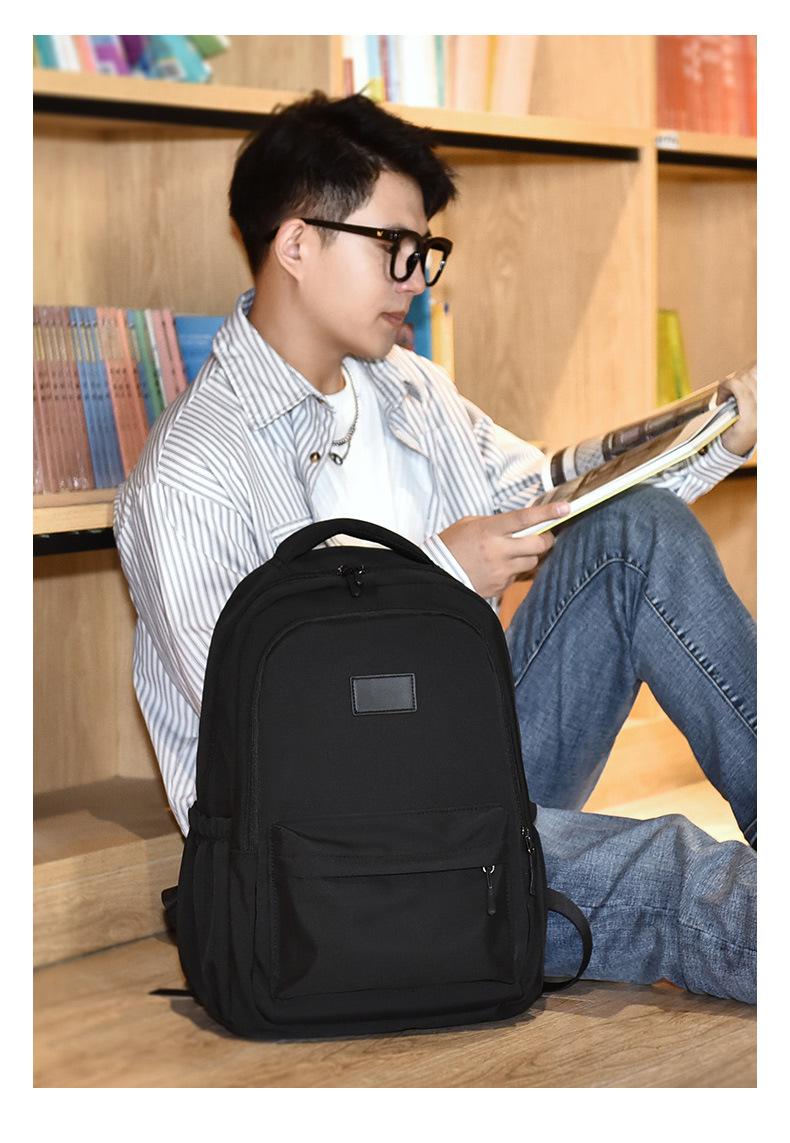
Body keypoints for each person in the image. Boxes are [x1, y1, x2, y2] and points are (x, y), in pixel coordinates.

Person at [113, 91, 757, 1005]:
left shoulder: (409, 388)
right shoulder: (189, 473)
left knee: (634, 533)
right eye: (394, 247)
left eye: (425, 251)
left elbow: (558, 496)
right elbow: (272, 733)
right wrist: (444, 571)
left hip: (470, 778)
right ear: (296, 244)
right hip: (337, 856)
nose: (416, 278)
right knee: (682, 871)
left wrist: (714, 436)